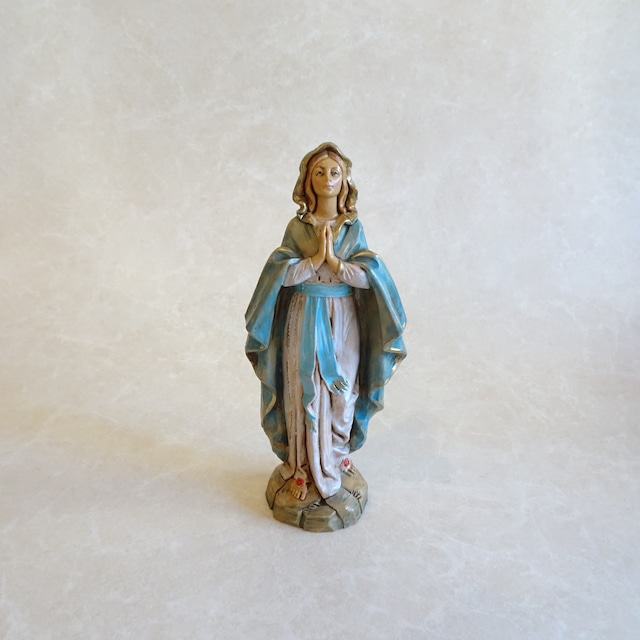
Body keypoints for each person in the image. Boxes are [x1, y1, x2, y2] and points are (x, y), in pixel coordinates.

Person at [245, 142, 406, 503]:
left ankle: (334, 457)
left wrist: (335, 263)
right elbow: (281, 275)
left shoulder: (352, 229)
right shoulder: (298, 227)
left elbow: (369, 276)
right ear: (308, 180)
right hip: (303, 315)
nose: (328, 178)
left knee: (342, 390)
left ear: (345, 179)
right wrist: (315, 257)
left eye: (335, 172)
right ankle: (302, 466)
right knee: (303, 388)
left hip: (343, 319)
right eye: (319, 172)